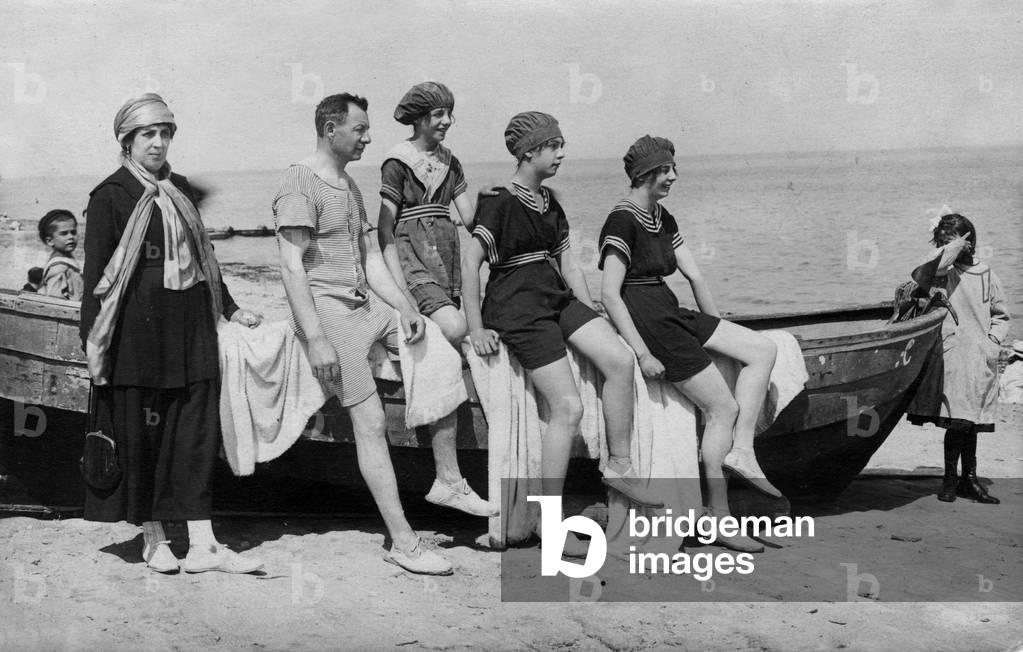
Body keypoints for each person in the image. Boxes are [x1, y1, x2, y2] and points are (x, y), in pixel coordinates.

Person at [462, 111, 663, 555]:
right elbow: (469, 262)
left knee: (619, 359)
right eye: (554, 146)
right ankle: (551, 525)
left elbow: (569, 262)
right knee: (567, 408)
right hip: (517, 307)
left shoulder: (550, 200)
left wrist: (592, 312)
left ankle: (620, 468)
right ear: (529, 150)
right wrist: (476, 327)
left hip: (555, 296)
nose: (562, 153)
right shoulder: (497, 201)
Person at [81, 93, 265, 574]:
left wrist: (231, 308)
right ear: (126, 142)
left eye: (165, 133)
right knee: (144, 437)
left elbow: (206, 259)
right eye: (148, 134)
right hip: (136, 335)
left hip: (191, 327)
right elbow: (96, 277)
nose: (158, 143)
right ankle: (154, 538)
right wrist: (92, 344)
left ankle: (203, 544)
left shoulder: (179, 187)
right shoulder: (111, 196)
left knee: (196, 432)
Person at [273, 93, 452, 575]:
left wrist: (405, 306)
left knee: (436, 346)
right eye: (360, 129)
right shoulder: (299, 182)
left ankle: (450, 478)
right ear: (331, 129)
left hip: (365, 304)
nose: (369, 137)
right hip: (327, 312)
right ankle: (403, 542)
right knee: (370, 422)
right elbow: (292, 268)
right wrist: (315, 339)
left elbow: (370, 258)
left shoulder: (350, 186)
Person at [598, 135, 780, 552]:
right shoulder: (621, 221)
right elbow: (609, 293)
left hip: (670, 309)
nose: (673, 177)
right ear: (645, 173)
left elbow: (695, 277)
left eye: (672, 169)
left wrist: (715, 330)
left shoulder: (663, 216)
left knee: (762, 349)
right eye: (665, 170)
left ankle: (744, 451)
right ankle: (719, 518)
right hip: (649, 320)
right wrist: (642, 353)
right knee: (723, 408)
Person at [376, 81, 494, 517]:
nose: (447, 122)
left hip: (444, 254)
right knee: (457, 327)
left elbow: (467, 217)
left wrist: (493, 200)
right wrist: (402, 293)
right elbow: (384, 229)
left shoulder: (451, 161)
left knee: (465, 327)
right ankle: (448, 477)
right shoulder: (397, 161)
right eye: (439, 114)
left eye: (450, 113)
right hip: (412, 257)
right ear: (420, 117)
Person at [908, 213, 1009, 504]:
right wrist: (949, 248)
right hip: (951, 356)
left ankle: (969, 479)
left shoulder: (986, 273)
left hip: (979, 356)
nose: (943, 248)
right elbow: (922, 273)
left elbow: (1001, 316)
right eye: (939, 243)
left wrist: (993, 341)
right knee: (956, 421)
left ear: (969, 242)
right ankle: (951, 479)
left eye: (948, 243)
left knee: (969, 422)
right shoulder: (942, 273)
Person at [37, 209, 84, 300]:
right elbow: (55, 302)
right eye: (64, 233)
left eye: (73, 232)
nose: (70, 237)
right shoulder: (59, 267)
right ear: (50, 241)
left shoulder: (66, 260)